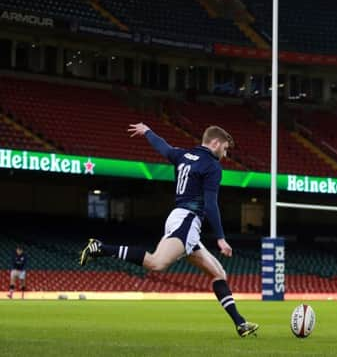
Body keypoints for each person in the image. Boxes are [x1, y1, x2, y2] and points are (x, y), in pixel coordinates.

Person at [79, 123, 258, 337]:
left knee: (219, 274)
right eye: (225, 148)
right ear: (216, 143)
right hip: (188, 221)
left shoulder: (184, 155)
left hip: (178, 217)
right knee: (157, 263)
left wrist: (147, 132)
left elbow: (163, 147)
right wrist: (220, 238)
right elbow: (211, 204)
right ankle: (101, 248)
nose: (225, 153)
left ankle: (240, 323)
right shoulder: (212, 166)